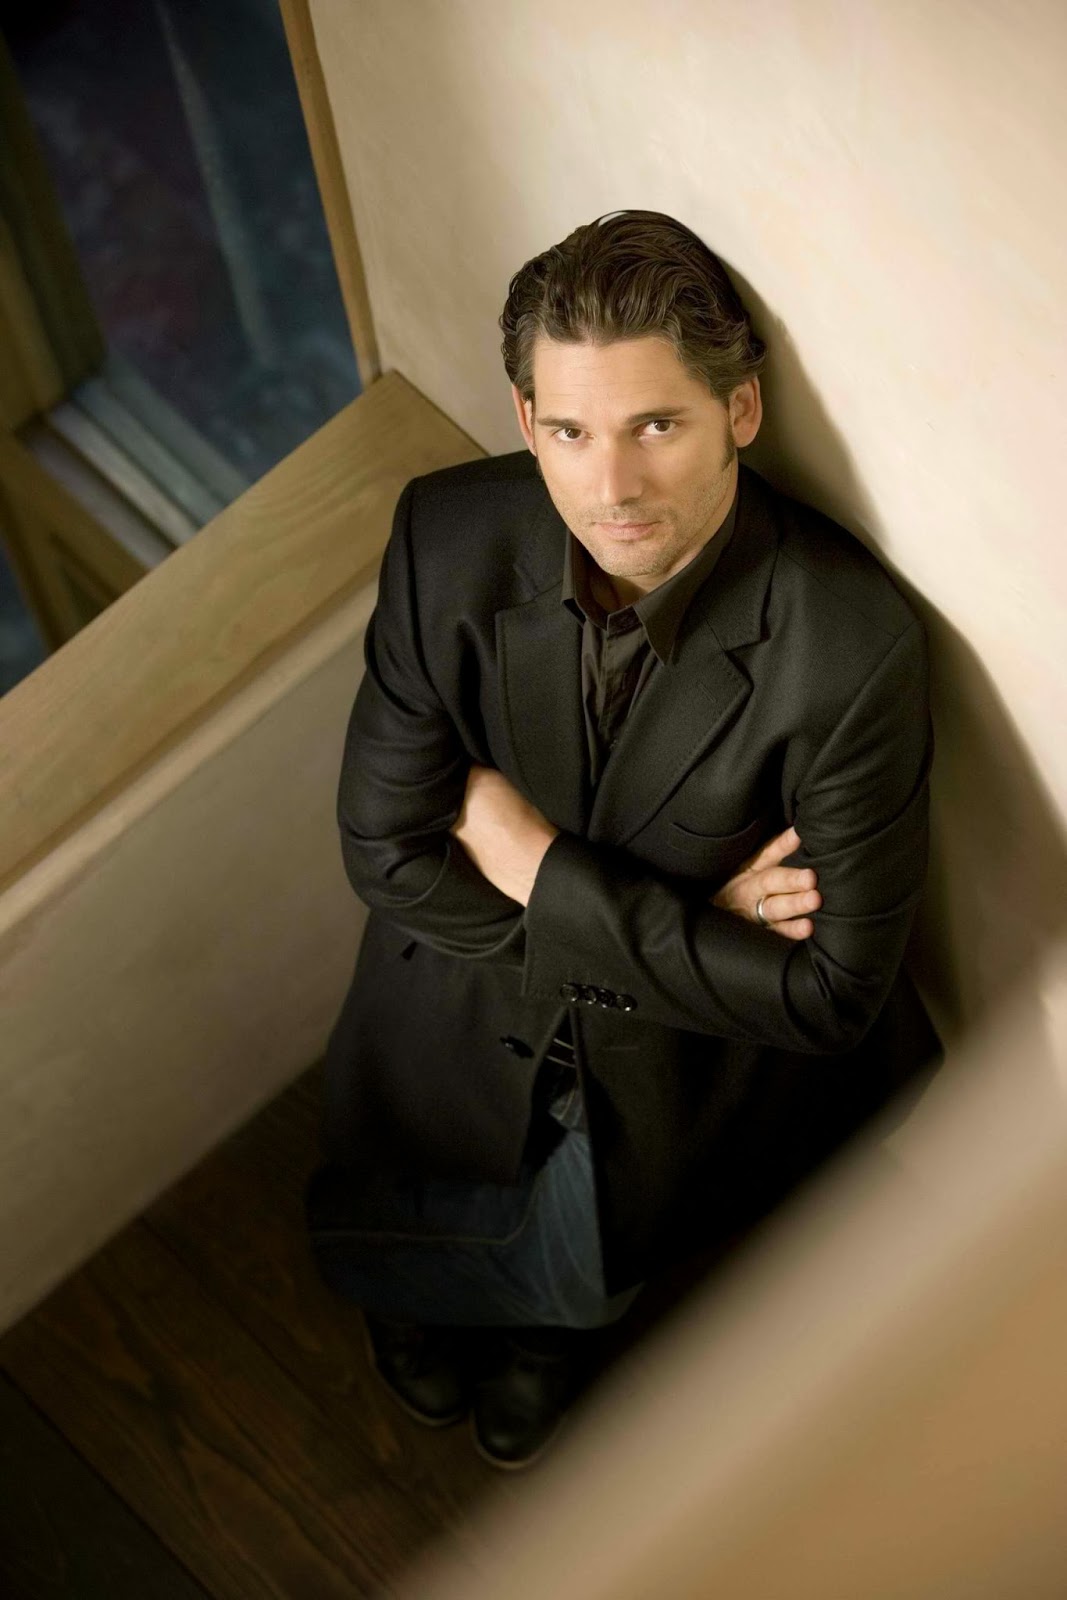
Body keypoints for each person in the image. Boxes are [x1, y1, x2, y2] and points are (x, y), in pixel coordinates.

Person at [304, 209, 942, 1470]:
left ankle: (548, 1345)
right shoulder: (445, 536)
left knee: (581, 1271)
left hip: (667, 1094)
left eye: (655, 425)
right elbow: (381, 847)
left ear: (739, 410)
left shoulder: (849, 647)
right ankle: (411, 1306)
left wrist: (539, 867)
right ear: (523, 415)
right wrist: (691, 922)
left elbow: (830, 997)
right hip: (447, 1021)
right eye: (567, 431)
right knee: (400, 1215)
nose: (609, 489)